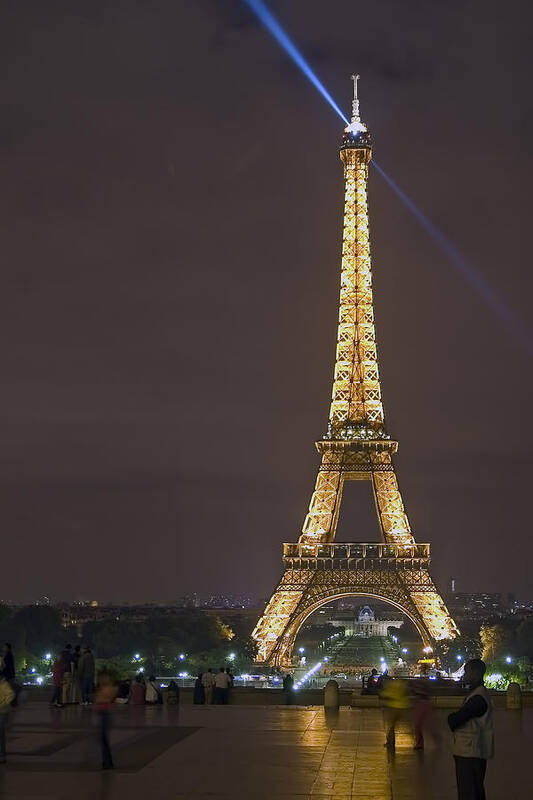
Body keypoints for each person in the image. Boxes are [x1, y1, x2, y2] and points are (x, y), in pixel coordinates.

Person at [448, 658, 493, 800]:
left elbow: (456, 720)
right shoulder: (478, 694)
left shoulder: (478, 698)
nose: (463, 675)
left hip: (471, 752)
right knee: (473, 790)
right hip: (471, 750)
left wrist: (451, 718)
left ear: (475, 674)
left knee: (469, 792)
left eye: (466, 672)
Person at [95, 670, 118, 769]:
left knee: (104, 740)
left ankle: (107, 762)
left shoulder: (109, 688)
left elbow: (103, 699)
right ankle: (107, 762)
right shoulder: (106, 688)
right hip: (103, 714)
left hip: (105, 715)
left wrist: (99, 698)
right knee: (103, 740)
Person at [380, 677, 410, 749]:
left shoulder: (390, 685)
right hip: (403, 706)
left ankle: (390, 743)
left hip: (393, 707)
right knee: (408, 726)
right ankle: (417, 741)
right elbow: (406, 693)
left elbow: (384, 695)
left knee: (390, 726)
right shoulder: (402, 684)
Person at [0, 676, 15, 763]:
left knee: (1, 733)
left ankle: (2, 755)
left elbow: (11, 694)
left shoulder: (3, 684)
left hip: (2, 711)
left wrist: (3, 703)